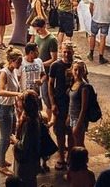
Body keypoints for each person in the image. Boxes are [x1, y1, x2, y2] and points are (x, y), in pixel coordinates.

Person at [0, 47, 24, 175]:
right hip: (3, 109)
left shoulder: (13, 72)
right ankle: (1, 164)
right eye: (18, 62)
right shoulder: (4, 73)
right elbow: (0, 91)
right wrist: (16, 94)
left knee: (10, 135)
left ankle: (1, 158)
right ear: (11, 61)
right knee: (5, 137)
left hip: (11, 107)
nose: (20, 64)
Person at [48, 42, 74, 171]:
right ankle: (62, 158)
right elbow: (50, 85)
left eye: (69, 52)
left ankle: (70, 158)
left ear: (72, 52)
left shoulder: (77, 65)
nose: (66, 54)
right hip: (59, 104)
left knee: (71, 132)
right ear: (61, 51)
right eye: (64, 51)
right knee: (60, 132)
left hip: (73, 105)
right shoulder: (55, 66)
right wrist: (52, 103)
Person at [11, 90, 41, 187]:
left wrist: (15, 141)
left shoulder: (28, 123)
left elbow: (24, 145)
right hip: (33, 158)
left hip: (26, 160)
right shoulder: (36, 116)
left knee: (24, 181)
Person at [32, 17, 58, 122]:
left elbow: (54, 59)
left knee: (48, 99)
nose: (37, 32)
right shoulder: (37, 37)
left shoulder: (52, 40)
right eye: (36, 30)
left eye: (39, 29)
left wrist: (41, 64)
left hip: (47, 73)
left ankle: (47, 122)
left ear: (44, 26)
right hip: (38, 72)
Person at [67, 60, 90, 147]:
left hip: (79, 119)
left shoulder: (84, 87)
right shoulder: (74, 83)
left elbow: (84, 108)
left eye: (80, 70)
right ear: (72, 70)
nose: (77, 72)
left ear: (84, 72)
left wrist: (78, 125)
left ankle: (83, 160)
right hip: (73, 117)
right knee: (75, 143)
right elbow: (71, 103)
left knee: (79, 144)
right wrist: (69, 117)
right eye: (75, 70)